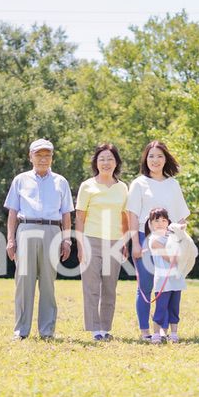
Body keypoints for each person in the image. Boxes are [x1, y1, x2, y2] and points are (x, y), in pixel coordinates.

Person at [4, 138, 74, 341]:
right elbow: (12, 213)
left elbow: (66, 215)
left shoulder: (61, 181)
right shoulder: (20, 180)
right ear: (30, 157)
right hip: (26, 229)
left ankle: (46, 331)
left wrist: (67, 240)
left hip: (52, 232)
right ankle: (21, 331)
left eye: (47, 155)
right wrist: (10, 240)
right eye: (39, 155)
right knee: (23, 282)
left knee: (48, 283)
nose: (43, 159)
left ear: (52, 157)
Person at [126, 141, 190, 341]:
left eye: (159, 156)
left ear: (166, 159)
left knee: (169, 286)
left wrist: (180, 239)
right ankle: (145, 331)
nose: (155, 160)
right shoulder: (139, 183)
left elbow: (181, 216)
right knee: (145, 286)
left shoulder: (173, 184)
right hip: (145, 241)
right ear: (146, 159)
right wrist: (135, 243)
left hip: (170, 242)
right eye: (151, 156)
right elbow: (132, 215)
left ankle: (162, 329)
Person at [74, 143, 129, 342]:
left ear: (116, 162)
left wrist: (125, 242)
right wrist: (80, 245)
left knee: (109, 287)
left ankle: (106, 328)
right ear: (96, 162)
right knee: (91, 287)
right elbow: (79, 218)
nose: (106, 163)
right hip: (91, 240)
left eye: (110, 159)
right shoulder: (87, 186)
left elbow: (124, 217)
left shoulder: (123, 187)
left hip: (115, 242)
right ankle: (94, 329)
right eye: (102, 159)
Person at [145, 208, 187, 344]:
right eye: (156, 220)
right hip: (163, 280)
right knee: (161, 307)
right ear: (150, 223)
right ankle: (156, 334)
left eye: (163, 220)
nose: (160, 223)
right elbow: (171, 258)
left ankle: (173, 333)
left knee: (174, 307)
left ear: (168, 222)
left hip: (176, 279)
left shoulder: (172, 237)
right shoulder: (153, 240)